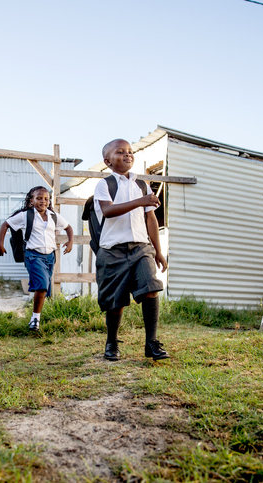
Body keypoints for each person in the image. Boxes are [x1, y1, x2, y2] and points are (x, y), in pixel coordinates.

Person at [94, 139, 169, 361]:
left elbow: (151, 219)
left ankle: (151, 343)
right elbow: (108, 211)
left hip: (140, 248)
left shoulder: (142, 186)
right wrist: (140, 201)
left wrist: (157, 250)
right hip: (112, 251)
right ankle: (112, 342)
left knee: (151, 288)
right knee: (115, 302)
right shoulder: (105, 185)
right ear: (108, 161)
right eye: (121, 152)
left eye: (130, 151)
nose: (128, 155)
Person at [0, 186, 74, 331]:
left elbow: (68, 227)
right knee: (42, 285)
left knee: (45, 290)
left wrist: (70, 242)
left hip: (50, 257)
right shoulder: (26, 215)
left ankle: (35, 318)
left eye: (46, 199)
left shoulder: (53, 216)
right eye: (39, 198)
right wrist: (0, 244)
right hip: (33, 255)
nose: (43, 201)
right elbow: (5, 224)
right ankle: (35, 321)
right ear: (31, 200)